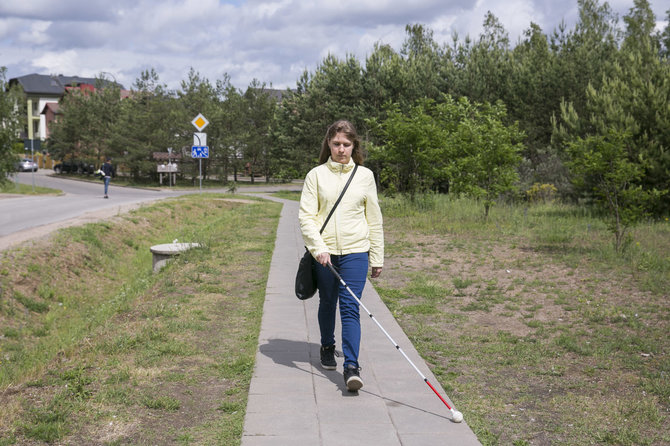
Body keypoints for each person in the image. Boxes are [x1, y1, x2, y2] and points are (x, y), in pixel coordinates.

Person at [299, 120, 384, 392]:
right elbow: (306, 217)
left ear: (354, 146)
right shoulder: (315, 175)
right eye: (336, 144)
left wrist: (377, 256)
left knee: (350, 307)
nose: (341, 149)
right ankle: (326, 345)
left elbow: (375, 218)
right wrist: (318, 248)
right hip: (324, 252)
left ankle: (351, 367)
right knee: (327, 302)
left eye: (346, 144)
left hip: (356, 252)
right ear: (328, 145)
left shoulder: (365, 176)